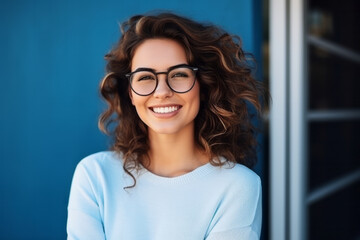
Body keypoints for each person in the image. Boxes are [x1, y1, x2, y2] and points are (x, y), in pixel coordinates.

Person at [67, 12, 265, 240]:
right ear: (130, 93)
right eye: (145, 77)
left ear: (203, 85)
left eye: (179, 74)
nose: (162, 92)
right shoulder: (95, 176)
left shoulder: (238, 186)